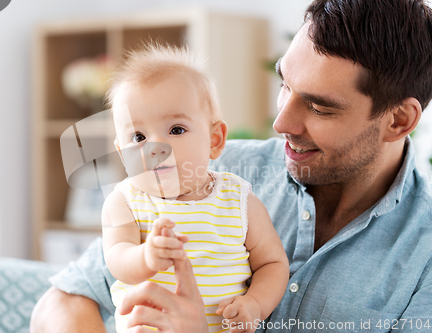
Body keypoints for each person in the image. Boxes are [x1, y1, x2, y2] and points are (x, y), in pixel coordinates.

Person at [30, 0, 432, 332]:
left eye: (319, 107)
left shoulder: (424, 258)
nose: (280, 125)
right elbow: (62, 302)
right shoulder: (206, 170)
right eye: (284, 85)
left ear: (398, 120)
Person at [101, 45, 289, 333]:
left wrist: (254, 304)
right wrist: (146, 257)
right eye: (138, 136)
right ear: (121, 152)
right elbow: (117, 258)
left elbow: (273, 263)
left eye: (176, 129)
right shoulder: (124, 201)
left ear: (214, 140)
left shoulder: (239, 201)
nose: (156, 148)